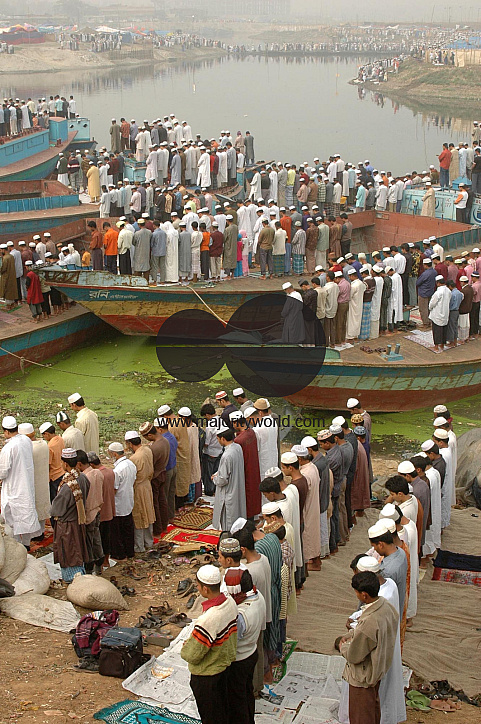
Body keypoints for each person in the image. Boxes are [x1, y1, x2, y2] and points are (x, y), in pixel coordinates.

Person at [181, 565, 238, 724]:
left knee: (211, 716)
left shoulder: (208, 619)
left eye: (198, 586)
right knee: (222, 711)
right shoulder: (230, 602)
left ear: (205, 589)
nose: (198, 589)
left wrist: (187, 646)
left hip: (208, 676)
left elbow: (192, 655)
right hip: (224, 668)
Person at [225, 568, 265, 724]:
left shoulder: (241, 615)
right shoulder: (258, 596)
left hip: (239, 660)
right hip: (251, 652)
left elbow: (231, 642)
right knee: (247, 693)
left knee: (237, 700)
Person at [50, 448, 89, 581]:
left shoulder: (68, 485)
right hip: (78, 521)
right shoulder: (82, 477)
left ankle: (73, 579)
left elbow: (57, 509)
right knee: (77, 550)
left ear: (65, 464)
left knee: (69, 552)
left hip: (67, 525)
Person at [0, 415, 40, 547]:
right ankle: (26, 543)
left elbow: (3, 471)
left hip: (14, 485)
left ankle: (17, 544)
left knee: (13, 515)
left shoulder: (8, 448)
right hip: (26, 482)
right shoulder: (25, 440)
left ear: (6, 431)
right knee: (26, 511)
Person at [368, 520, 408, 615]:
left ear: (381, 544)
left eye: (374, 546)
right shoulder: (400, 552)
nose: (374, 549)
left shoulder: (387, 571)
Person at [212, 426, 246, 531]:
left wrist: (214, 478)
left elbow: (222, 479)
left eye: (218, 439)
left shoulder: (227, 455)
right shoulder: (237, 447)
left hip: (229, 492)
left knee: (229, 521)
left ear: (222, 438)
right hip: (237, 487)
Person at [76, 450, 104, 575]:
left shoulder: (84, 478)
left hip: (89, 514)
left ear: (79, 464)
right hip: (97, 510)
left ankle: (89, 568)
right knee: (96, 539)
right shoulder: (97, 473)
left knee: (88, 542)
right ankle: (99, 565)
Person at [230, 412, 261, 519]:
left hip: (245, 472)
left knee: (245, 498)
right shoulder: (251, 432)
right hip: (253, 469)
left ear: (236, 423)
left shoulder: (239, 440)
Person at [429, 275, 451, 351]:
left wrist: (430, 308)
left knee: (436, 330)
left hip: (437, 314)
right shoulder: (448, 291)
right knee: (444, 330)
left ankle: (436, 346)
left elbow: (432, 303)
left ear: (438, 283)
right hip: (445, 313)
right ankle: (442, 344)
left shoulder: (438, 292)